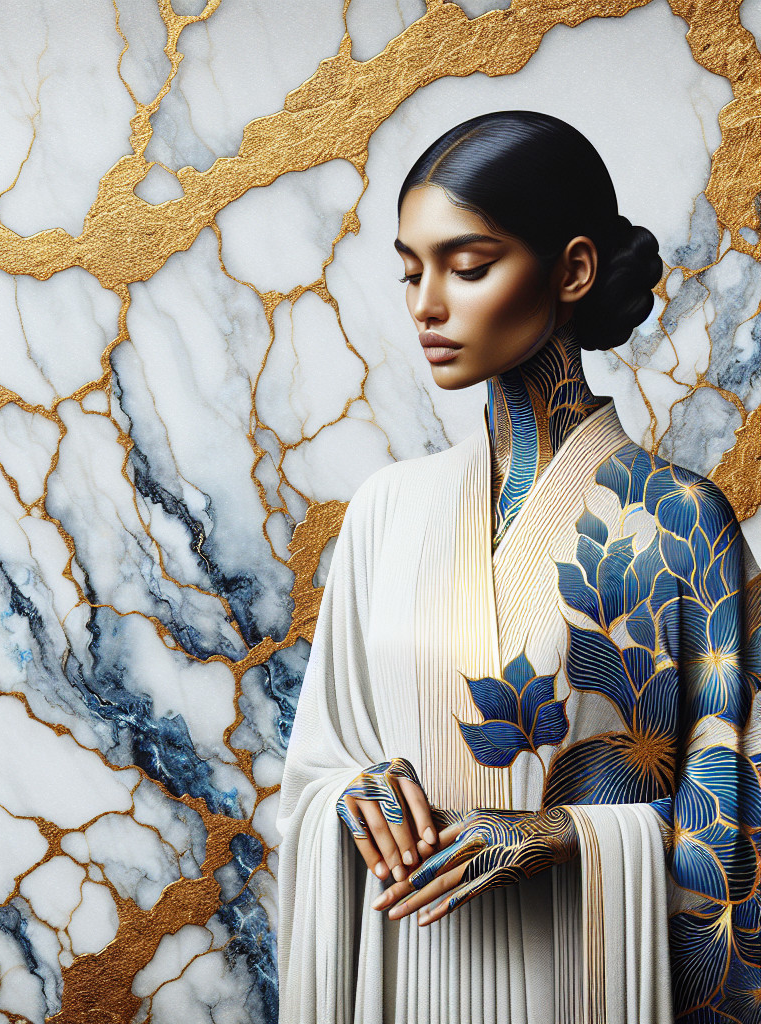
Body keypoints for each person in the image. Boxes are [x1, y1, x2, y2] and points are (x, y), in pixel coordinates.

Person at [275, 110, 761, 1024]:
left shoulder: (681, 523)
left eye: (467, 267)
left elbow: (737, 823)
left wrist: (567, 837)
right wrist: (353, 792)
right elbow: (315, 771)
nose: (426, 304)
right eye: (411, 271)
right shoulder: (386, 509)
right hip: (406, 964)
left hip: (575, 977)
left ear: (572, 270)